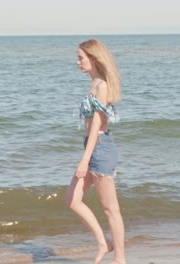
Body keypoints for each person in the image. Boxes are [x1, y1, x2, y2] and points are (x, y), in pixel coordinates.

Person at [65, 39, 125, 264]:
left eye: (81, 57)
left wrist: (84, 159)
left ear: (93, 58)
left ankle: (120, 259)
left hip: (99, 148)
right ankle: (103, 243)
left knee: (111, 209)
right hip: (93, 147)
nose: (77, 61)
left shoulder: (102, 86)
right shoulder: (94, 83)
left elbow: (98, 126)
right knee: (72, 199)